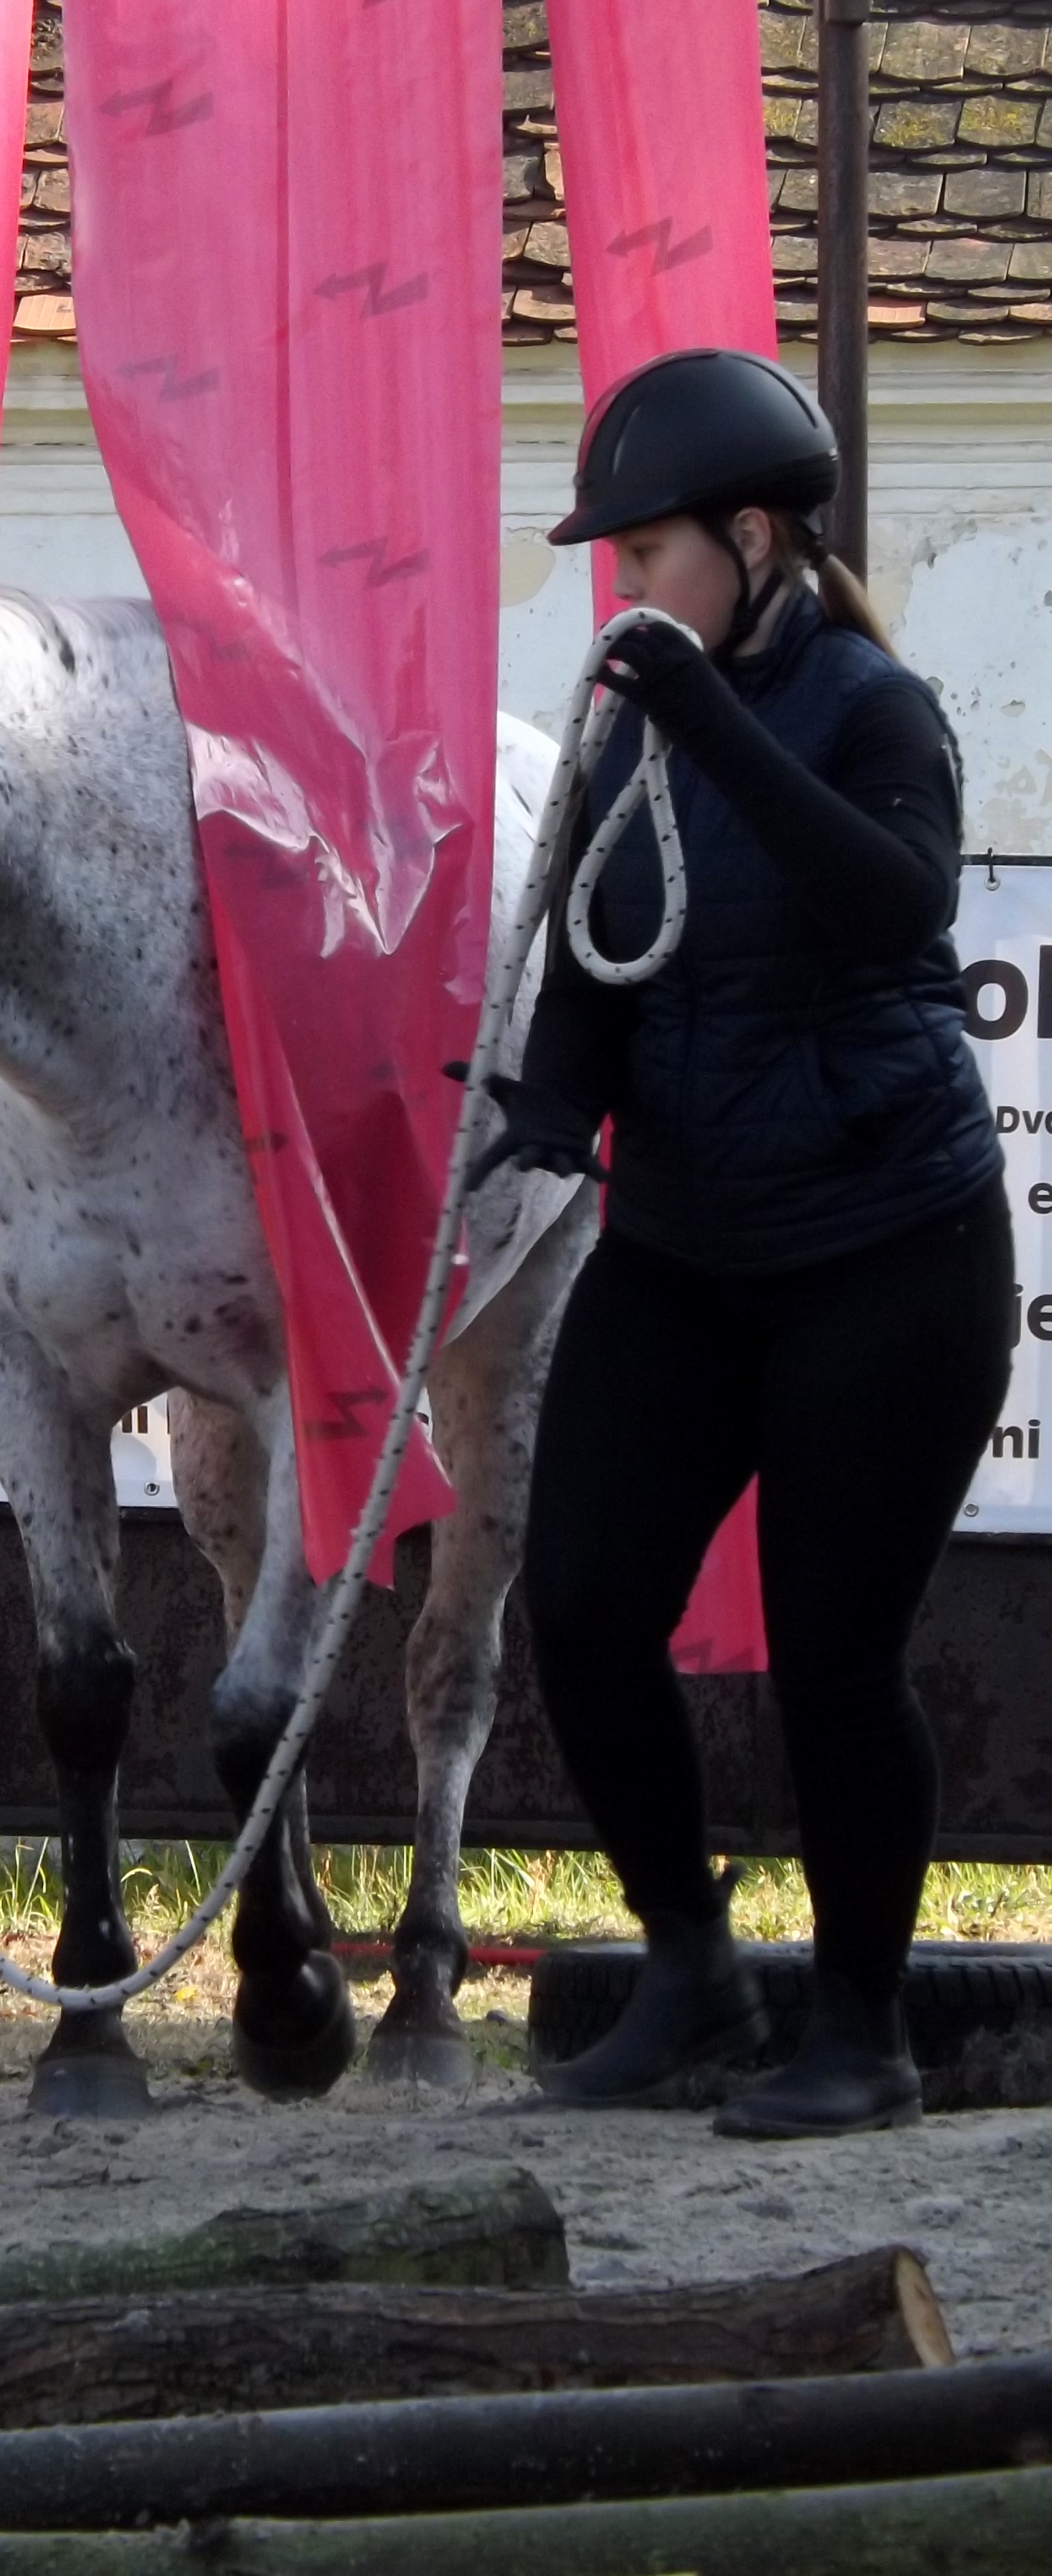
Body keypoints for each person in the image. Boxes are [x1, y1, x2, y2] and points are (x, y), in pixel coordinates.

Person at [475, 348, 1011, 2139]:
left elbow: (900, 901)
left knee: (834, 1660)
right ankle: (691, 1967)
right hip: (689, 1251)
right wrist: (551, 1107)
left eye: (649, 554)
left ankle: (862, 2030)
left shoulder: (875, 707)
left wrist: (711, 727)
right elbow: (595, 948)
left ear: (757, 540)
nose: (624, 589)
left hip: (887, 1253)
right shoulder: (630, 728)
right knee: (583, 1601)